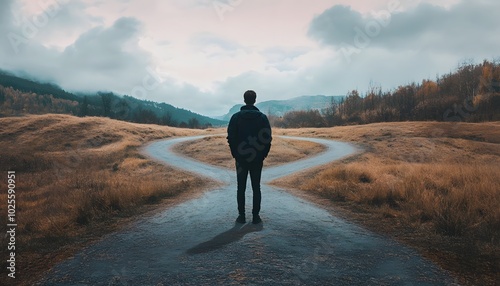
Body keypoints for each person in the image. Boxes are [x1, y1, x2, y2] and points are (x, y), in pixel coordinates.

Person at [227, 90, 272, 224]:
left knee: (241, 188)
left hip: (241, 159)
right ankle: (256, 217)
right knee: (256, 187)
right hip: (257, 159)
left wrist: (235, 154)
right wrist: (263, 155)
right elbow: (267, 139)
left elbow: (231, 138)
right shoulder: (262, 118)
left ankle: (241, 216)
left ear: (244, 99)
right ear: (255, 99)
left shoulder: (236, 117)